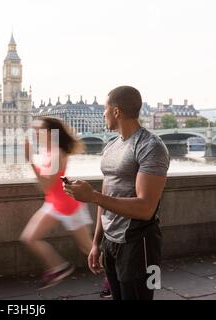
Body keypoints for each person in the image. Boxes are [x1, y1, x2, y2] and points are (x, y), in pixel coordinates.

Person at [63, 86, 170, 300]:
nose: (103, 113)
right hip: (111, 242)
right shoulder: (111, 146)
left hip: (140, 244)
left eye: (105, 108)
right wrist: (96, 243)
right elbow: (108, 192)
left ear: (116, 111)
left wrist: (91, 196)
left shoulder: (151, 146)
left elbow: (145, 208)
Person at [20, 116, 93, 290]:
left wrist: (30, 161)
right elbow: (46, 186)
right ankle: (58, 268)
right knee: (29, 238)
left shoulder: (57, 153)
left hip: (69, 206)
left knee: (88, 249)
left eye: (39, 130)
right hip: (53, 203)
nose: (35, 133)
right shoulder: (48, 151)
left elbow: (45, 185)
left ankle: (116, 277)